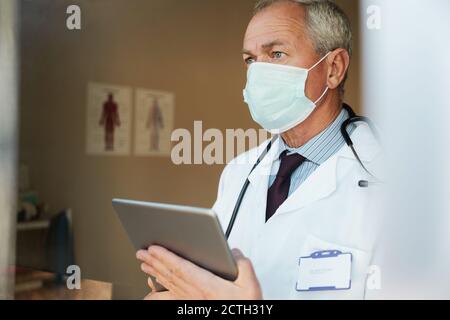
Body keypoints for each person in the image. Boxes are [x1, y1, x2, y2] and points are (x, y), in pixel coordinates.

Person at [137, 0, 380, 300]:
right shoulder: (239, 172)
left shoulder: (392, 184)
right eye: (250, 60)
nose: (258, 73)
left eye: (276, 54)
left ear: (333, 68)